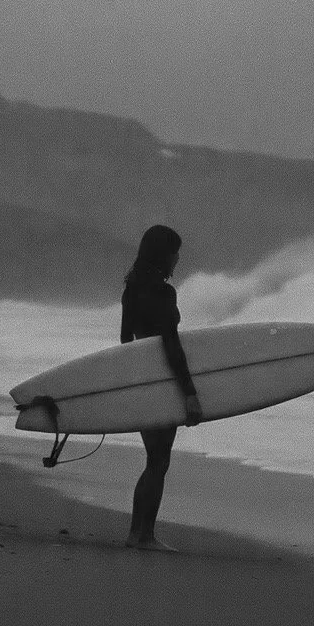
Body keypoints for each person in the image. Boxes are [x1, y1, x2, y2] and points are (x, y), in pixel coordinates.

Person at [120, 225, 203, 551]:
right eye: (175, 252)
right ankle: (144, 536)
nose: (178, 258)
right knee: (158, 461)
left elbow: (125, 341)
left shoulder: (131, 289)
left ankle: (136, 534)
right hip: (164, 383)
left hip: (141, 382)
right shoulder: (164, 293)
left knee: (154, 459)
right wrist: (189, 392)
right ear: (163, 254)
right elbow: (171, 346)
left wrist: (131, 381)